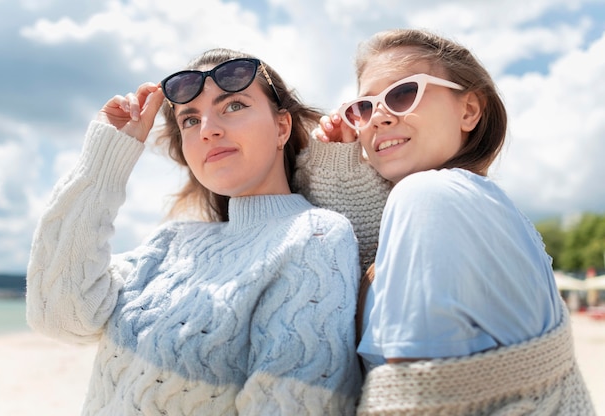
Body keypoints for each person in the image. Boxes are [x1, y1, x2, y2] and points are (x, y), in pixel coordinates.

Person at [25, 48, 363, 415]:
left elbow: (295, 404)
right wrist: (105, 157)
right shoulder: (169, 244)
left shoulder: (315, 237)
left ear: (281, 127)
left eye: (233, 106)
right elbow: (57, 316)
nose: (208, 129)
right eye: (189, 119)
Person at [304, 29, 595, 414]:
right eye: (364, 108)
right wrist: (345, 164)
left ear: (469, 110)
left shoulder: (429, 196)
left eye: (403, 93)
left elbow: (415, 400)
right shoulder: (475, 204)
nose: (379, 118)